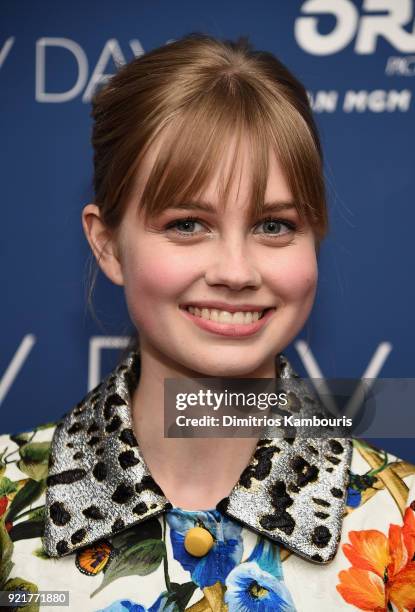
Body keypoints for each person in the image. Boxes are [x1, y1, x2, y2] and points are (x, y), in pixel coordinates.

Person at [0, 33, 414, 612]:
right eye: (188, 224)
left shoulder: (401, 522)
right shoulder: (6, 503)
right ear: (108, 245)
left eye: (273, 225)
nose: (236, 271)